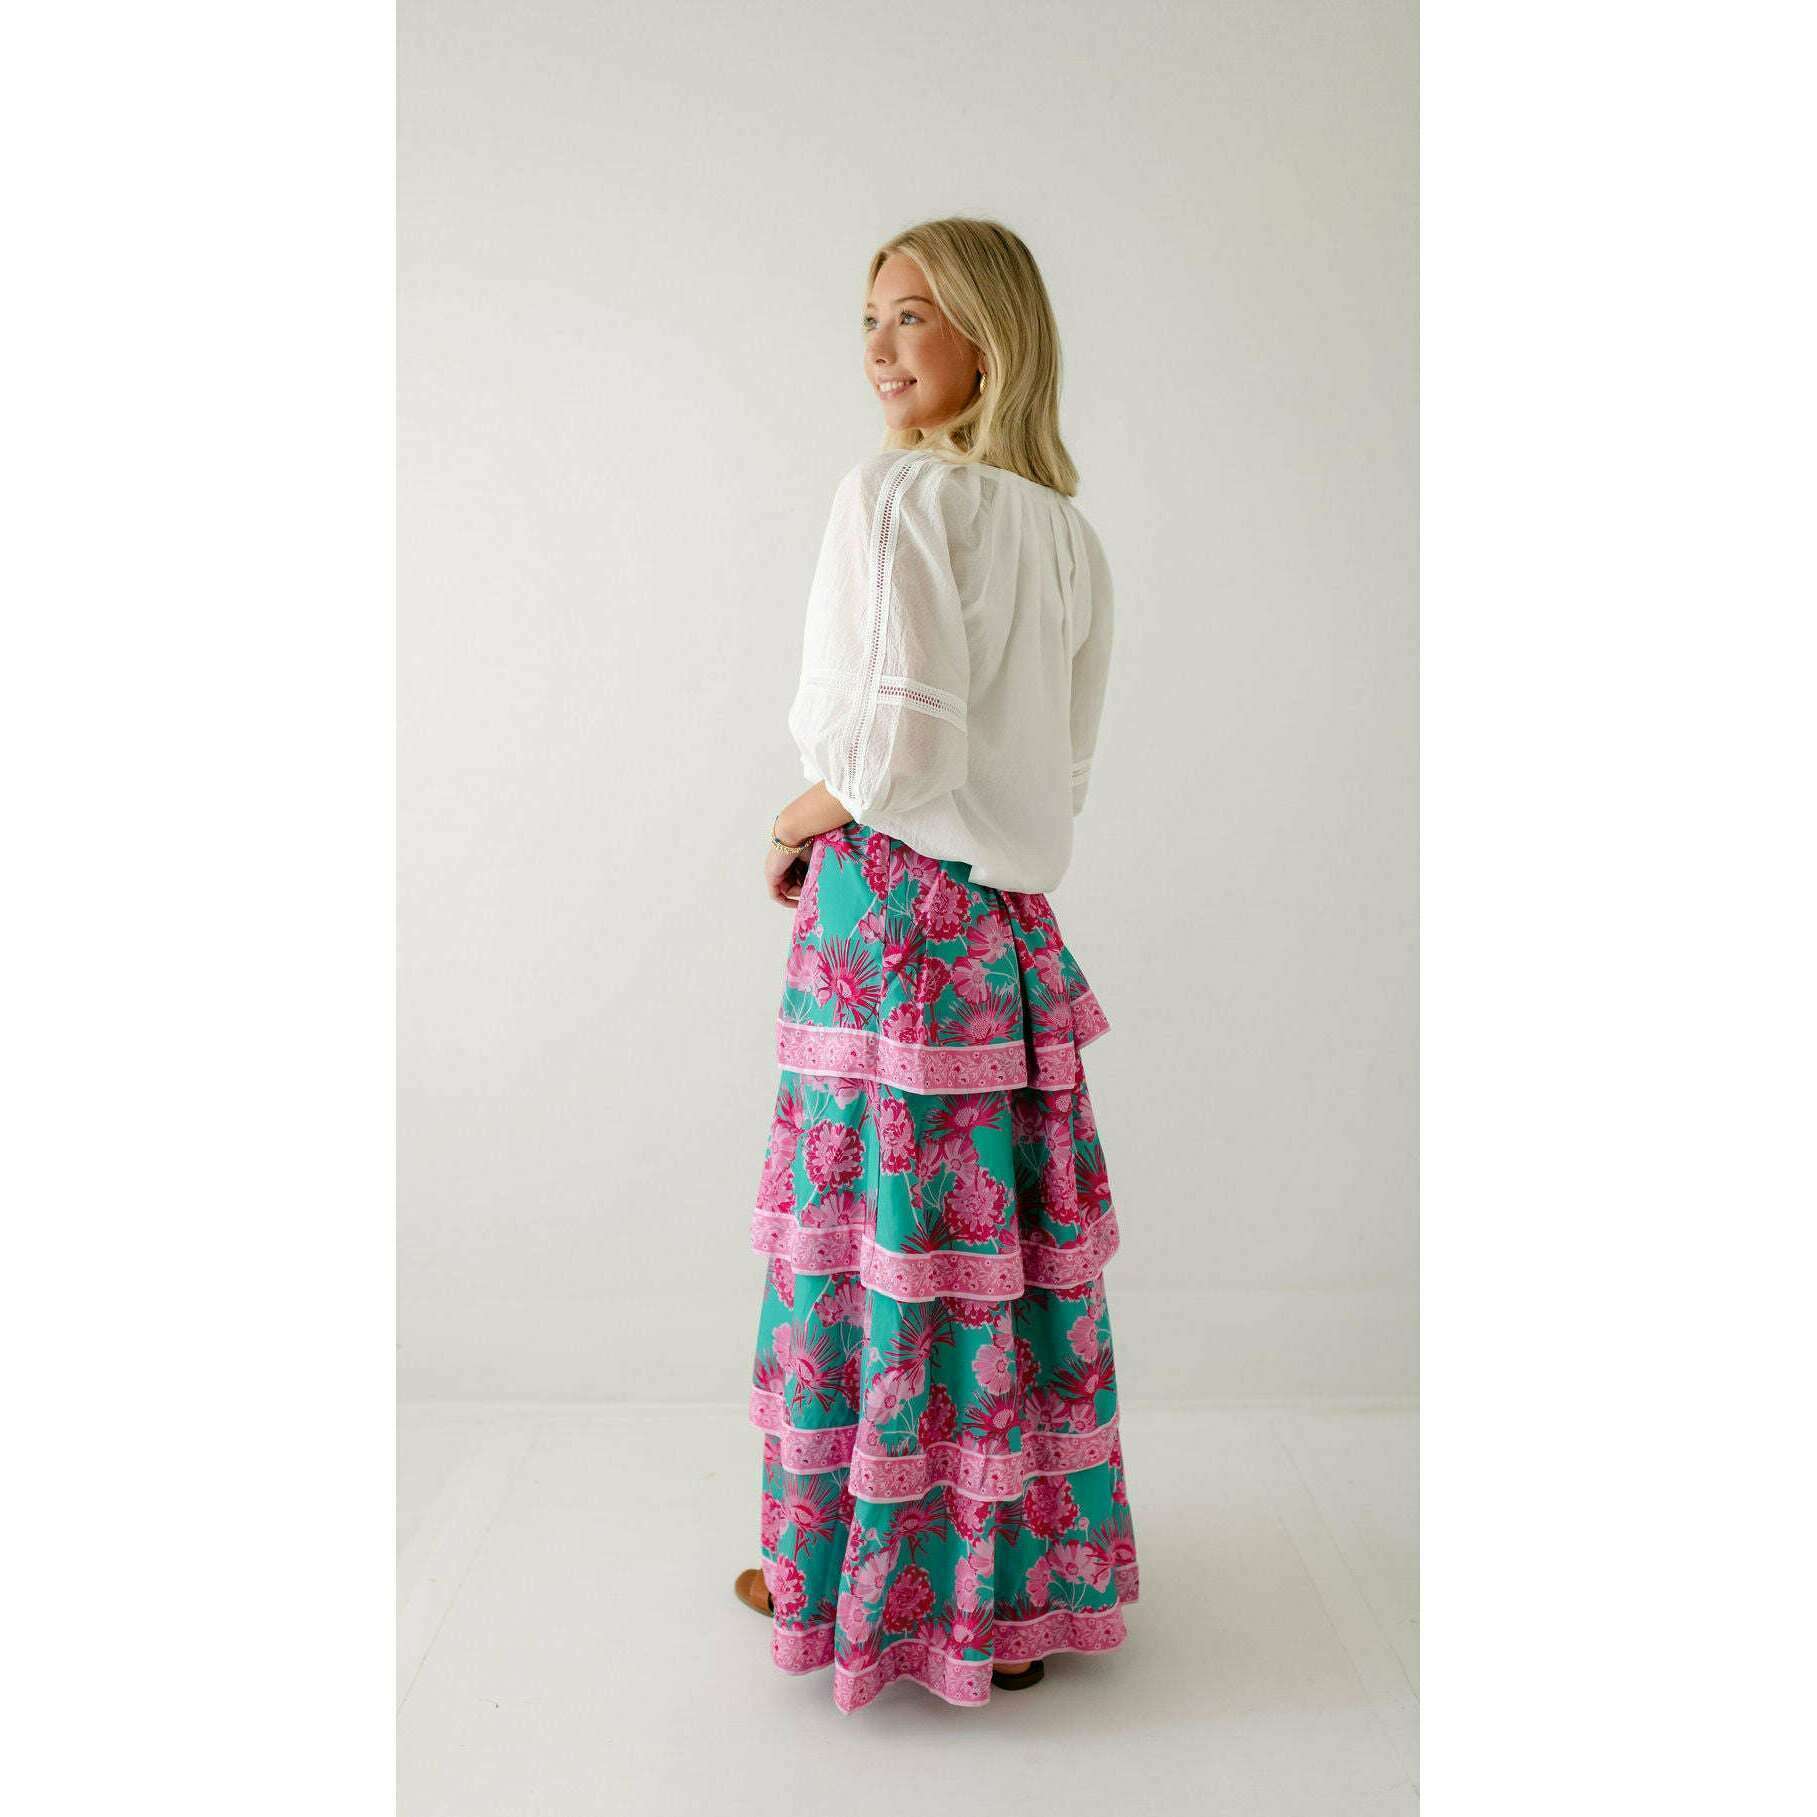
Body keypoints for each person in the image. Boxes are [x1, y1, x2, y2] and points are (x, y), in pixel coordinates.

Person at [734, 217, 1138, 1714]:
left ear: (990, 336)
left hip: (891, 916)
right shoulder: (1067, 535)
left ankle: (852, 1569)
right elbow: (1063, 770)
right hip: (1003, 930)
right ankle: (1005, 1599)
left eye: (913, 315)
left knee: (870, 1241)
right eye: (871, 318)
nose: (881, 347)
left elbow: (895, 747)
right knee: (992, 1261)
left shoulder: (895, 493)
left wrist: (796, 816)